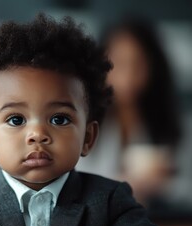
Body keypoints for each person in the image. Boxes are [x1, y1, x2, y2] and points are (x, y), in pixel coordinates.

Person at [0, 14, 176, 226]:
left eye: (59, 119)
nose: (38, 135)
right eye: (16, 120)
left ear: (88, 137)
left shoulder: (110, 199)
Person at [75, 16, 182, 205]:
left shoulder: (175, 123)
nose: (128, 77)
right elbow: (76, 180)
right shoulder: (83, 119)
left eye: (138, 64)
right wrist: (127, 182)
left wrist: (164, 183)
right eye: (119, 64)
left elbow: (186, 186)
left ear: (153, 67)